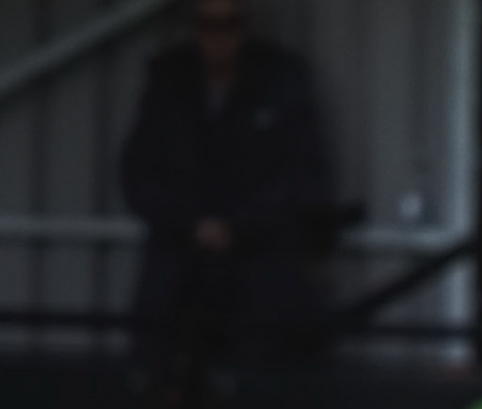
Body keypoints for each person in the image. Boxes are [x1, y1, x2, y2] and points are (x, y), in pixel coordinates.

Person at [121, 0, 331, 367]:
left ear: (245, 28)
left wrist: (238, 225)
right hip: (181, 254)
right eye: (207, 26)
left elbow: (304, 174)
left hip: (258, 255)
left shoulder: (280, 78)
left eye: (229, 26)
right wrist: (192, 224)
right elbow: (138, 173)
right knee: (157, 352)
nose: (218, 38)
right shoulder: (169, 78)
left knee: (265, 356)